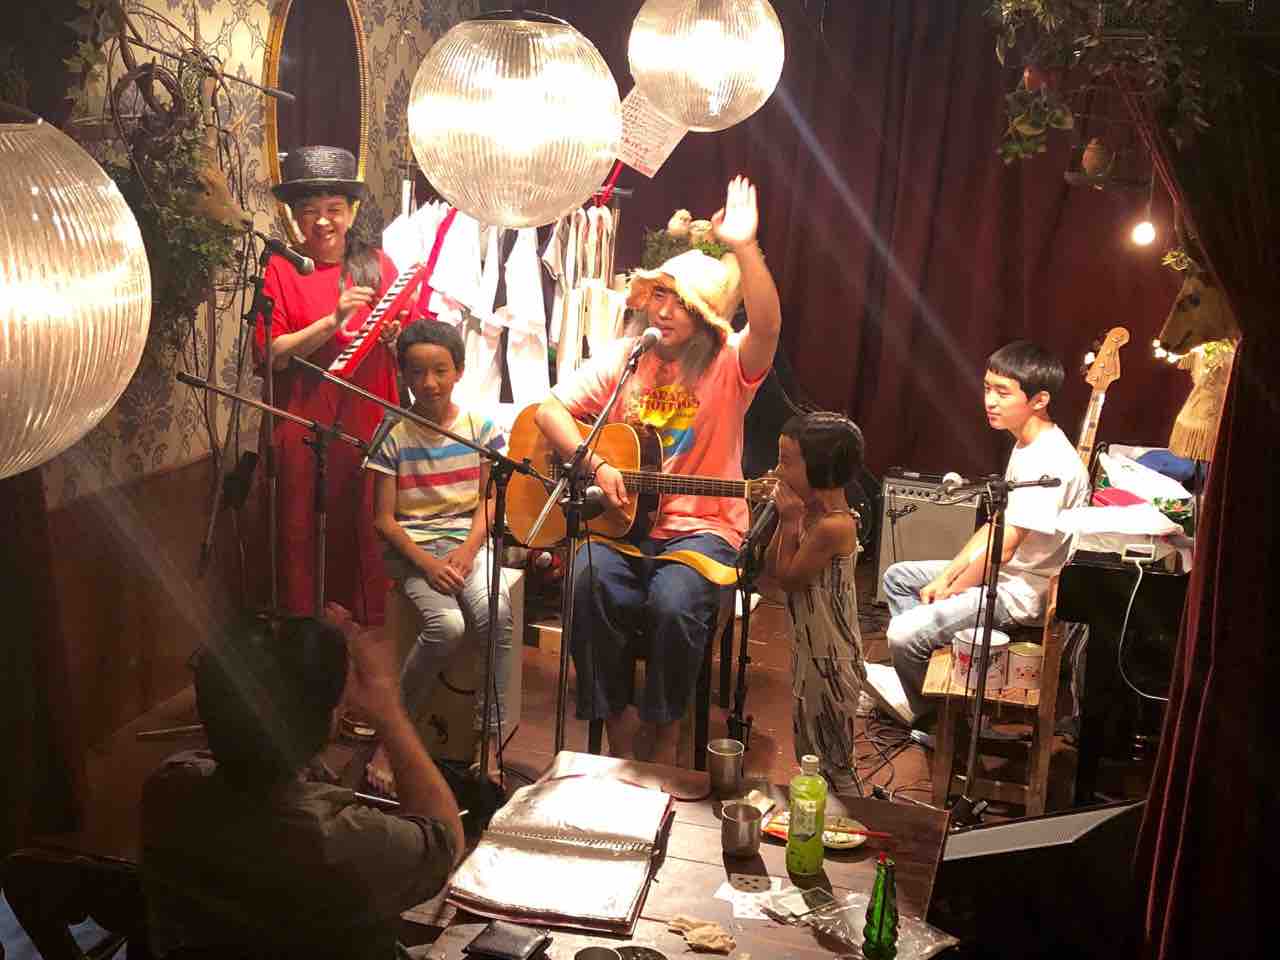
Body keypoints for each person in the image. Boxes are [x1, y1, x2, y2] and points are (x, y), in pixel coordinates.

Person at [534, 176, 781, 763]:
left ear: (706, 317)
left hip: (704, 530)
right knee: (585, 582)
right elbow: (549, 410)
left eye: (682, 303)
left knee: (675, 604)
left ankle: (665, 730)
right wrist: (596, 463)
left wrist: (744, 248)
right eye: (660, 296)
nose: (665, 311)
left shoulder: (729, 364)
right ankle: (616, 727)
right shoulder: (628, 357)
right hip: (623, 525)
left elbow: (768, 327)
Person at [141, 606, 463, 959]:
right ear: (330, 719)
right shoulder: (347, 839)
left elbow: (249, 741)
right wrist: (388, 710)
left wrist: (298, 665)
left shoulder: (168, 791)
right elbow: (446, 838)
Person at [883, 340, 1090, 727]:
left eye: (1003, 392)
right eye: (987, 388)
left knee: (902, 635)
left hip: (1020, 594)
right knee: (898, 578)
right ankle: (939, 677)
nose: (990, 401)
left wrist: (951, 589)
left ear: (1039, 400)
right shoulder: (1026, 443)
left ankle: (937, 722)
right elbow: (996, 524)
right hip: (1002, 575)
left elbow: (1004, 549)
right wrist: (949, 575)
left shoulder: (1050, 460)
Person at [254, 146, 406, 625]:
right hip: (304, 432)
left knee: (364, 535)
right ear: (295, 217)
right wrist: (332, 320)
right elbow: (273, 355)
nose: (322, 221)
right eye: (310, 210)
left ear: (351, 212)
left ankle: (363, 652)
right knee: (301, 537)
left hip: (368, 430)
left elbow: (413, 351)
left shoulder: (379, 266)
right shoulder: (281, 270)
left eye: (334, 209)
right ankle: (305, 645)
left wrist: (395, 339)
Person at [364, 320, 513, 794]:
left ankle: (488, 741)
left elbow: (489, 501)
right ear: (403, 375)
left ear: (459, 371)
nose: (428, 383)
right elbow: (384, 520)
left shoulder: (481, 431)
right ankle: (393, 739)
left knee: (496, 612)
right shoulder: (392, 431)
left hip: (467, 547)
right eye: (416, 372)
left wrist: (467, 552)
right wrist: (428, 565)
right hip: (414, 552)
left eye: (440, 371)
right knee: (446, 626)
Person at [765, 412, 868, 794]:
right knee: (810, 754)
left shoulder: (833, 525)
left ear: (820, 467)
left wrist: (789, 522)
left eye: (786, 462)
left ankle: (857, 820)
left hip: (831, 661)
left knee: (835, 764)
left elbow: (789, 580)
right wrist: (789, 521)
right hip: (811, 655)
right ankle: (819, 818)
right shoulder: (814, 517)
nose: (778, 472)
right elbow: (772, 568)